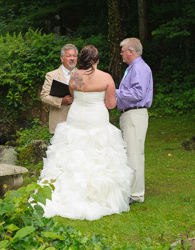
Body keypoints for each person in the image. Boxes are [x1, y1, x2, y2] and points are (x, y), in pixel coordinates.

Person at [35, 45, 134, 221]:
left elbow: (73, 96)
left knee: (74, 152)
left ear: (82, 59)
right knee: (98, 153)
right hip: (95, 118)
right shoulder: (105, 77)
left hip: (75, 118)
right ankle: (97, 196)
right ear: (96, 60)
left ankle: (68, 192)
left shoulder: (75, 76)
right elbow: (111, 104)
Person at [116, 37, 153, 204]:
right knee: (132, 153)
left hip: (135, 114)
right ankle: (133, 190)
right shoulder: (134, 68)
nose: (121, 54)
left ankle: (136, 194)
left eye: (123, 51)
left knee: (134, 154)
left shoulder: (139, 68)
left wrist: (115, 93)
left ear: (131, 51)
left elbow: (138, 94)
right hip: (131, 114)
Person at [40, 44, 78, 134]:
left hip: (78, 124)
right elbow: (44, 97)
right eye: (68, 56)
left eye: (74, 56)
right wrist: (61, 101)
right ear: (62, 58)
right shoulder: (52, 75)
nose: (72, 58)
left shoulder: (82, 75)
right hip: (59, 123)